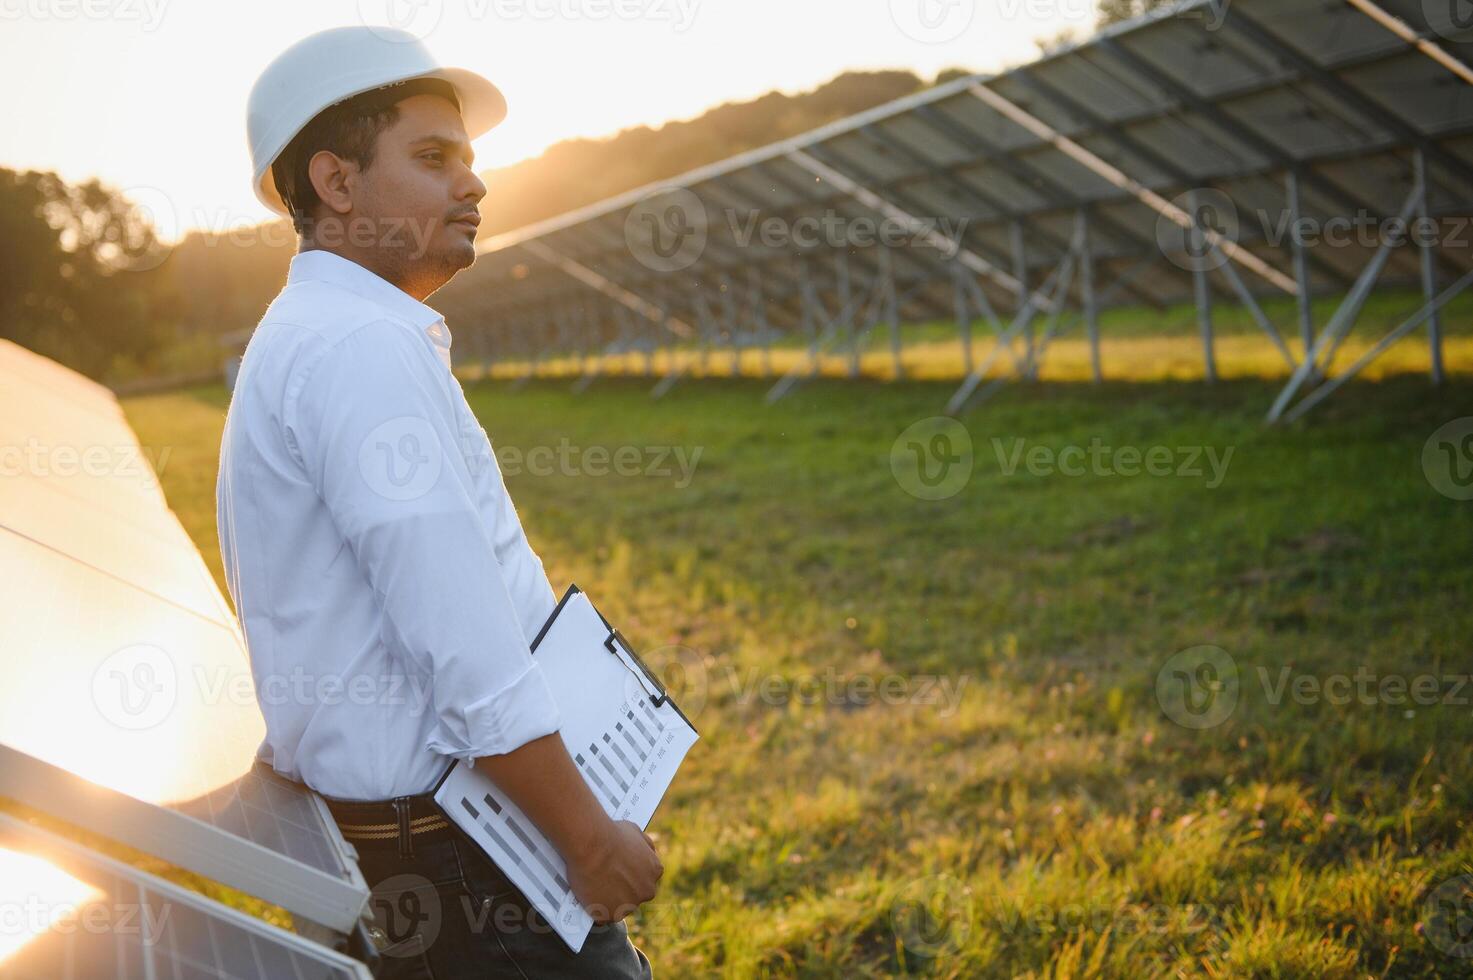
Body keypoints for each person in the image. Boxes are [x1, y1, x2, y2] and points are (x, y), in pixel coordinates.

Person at [218, 26, 660, 978]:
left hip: (421, 850)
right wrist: (588, 839)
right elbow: (463, 646)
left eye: (470, 160)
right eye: (433, 159)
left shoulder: (327, 331)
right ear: (335, 184)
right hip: (465, 858)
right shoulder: (356, 349)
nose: (475, 184)